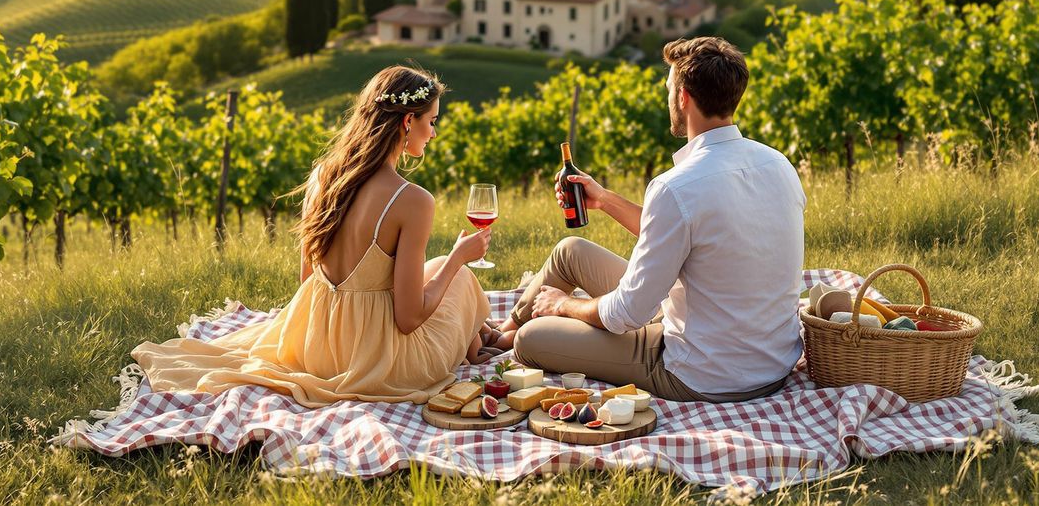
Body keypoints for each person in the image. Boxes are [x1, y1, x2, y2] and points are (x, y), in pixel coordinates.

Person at [130, 66, 497, 408]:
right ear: (407, 121)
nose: (433, 132)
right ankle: (481, 345)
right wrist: (457, 258)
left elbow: (308, 280)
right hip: (379, 366)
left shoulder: (325, 175)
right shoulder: (413, 200)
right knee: (458, 277)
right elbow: (407, 318)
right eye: (431, 122)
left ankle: (482, 340)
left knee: (433, 269)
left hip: (312, 345)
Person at [490, 37, 805, 403]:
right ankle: (500, 335)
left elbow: (628, 313)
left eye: (669, 87)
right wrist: (605, 199)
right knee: (570, 251)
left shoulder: (677, 186)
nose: (667, 96)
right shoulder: (778, 164)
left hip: (701, 372)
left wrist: (562, 305)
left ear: (683, 98)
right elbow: (700, 238)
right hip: (770, 363)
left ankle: (515, 334)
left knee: (533, 340)